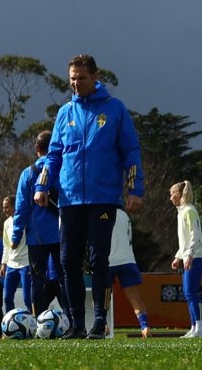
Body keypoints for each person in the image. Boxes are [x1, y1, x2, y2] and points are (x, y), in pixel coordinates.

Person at [36, 54, 144, 339]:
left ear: (96, 77)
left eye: (81, 78)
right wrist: (42, 186)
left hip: (103, 198)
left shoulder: (115, 109)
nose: (76, 84)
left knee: (99, 261)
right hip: (70, 200)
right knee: (68, 262)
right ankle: (76, 324)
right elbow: (54, 154)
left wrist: (134, 189)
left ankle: (99, 322)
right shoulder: (65, 113)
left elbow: (131, 152)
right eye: (72, 78)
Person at [12, 131, 64, 316]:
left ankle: (38, 320)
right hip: (62, 234)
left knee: (38, 280)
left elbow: (21, 208)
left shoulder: (28, 174)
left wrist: (16, 236)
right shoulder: (62, 170)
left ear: (36, 148)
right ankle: (73, 321)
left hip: (37, 237)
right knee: (64, 277)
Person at [171, 180, 202, 338]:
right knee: (188, 292)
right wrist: (178, 256)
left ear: (179, 194)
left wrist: (190, 255)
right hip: (189, 256)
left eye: (172, 194)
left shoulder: (189, 211)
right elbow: (185, 240)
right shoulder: (182, 212)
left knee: (190, 292)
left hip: (197, 257)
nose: (171, 198)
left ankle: (199, 328)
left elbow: (195, 236)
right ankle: (194, 327)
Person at [109, 198, 151, 338]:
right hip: (128, 260)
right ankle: (145, 326)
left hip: (108, 261)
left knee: (100, 297)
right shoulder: (124, 215)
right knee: (135, 298)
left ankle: (102, 324)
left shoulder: (100, 214)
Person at [0, 194, 31, 313]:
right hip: (11, 264)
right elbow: (6, 245)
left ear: (14, 206)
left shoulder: (25, 219)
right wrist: (4, 263)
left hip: (26, 263)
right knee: (7, 298)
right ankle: (9, 326)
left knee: (27, 299)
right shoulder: (7, 223)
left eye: (6, 207)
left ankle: (34, 324)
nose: (4, 210)